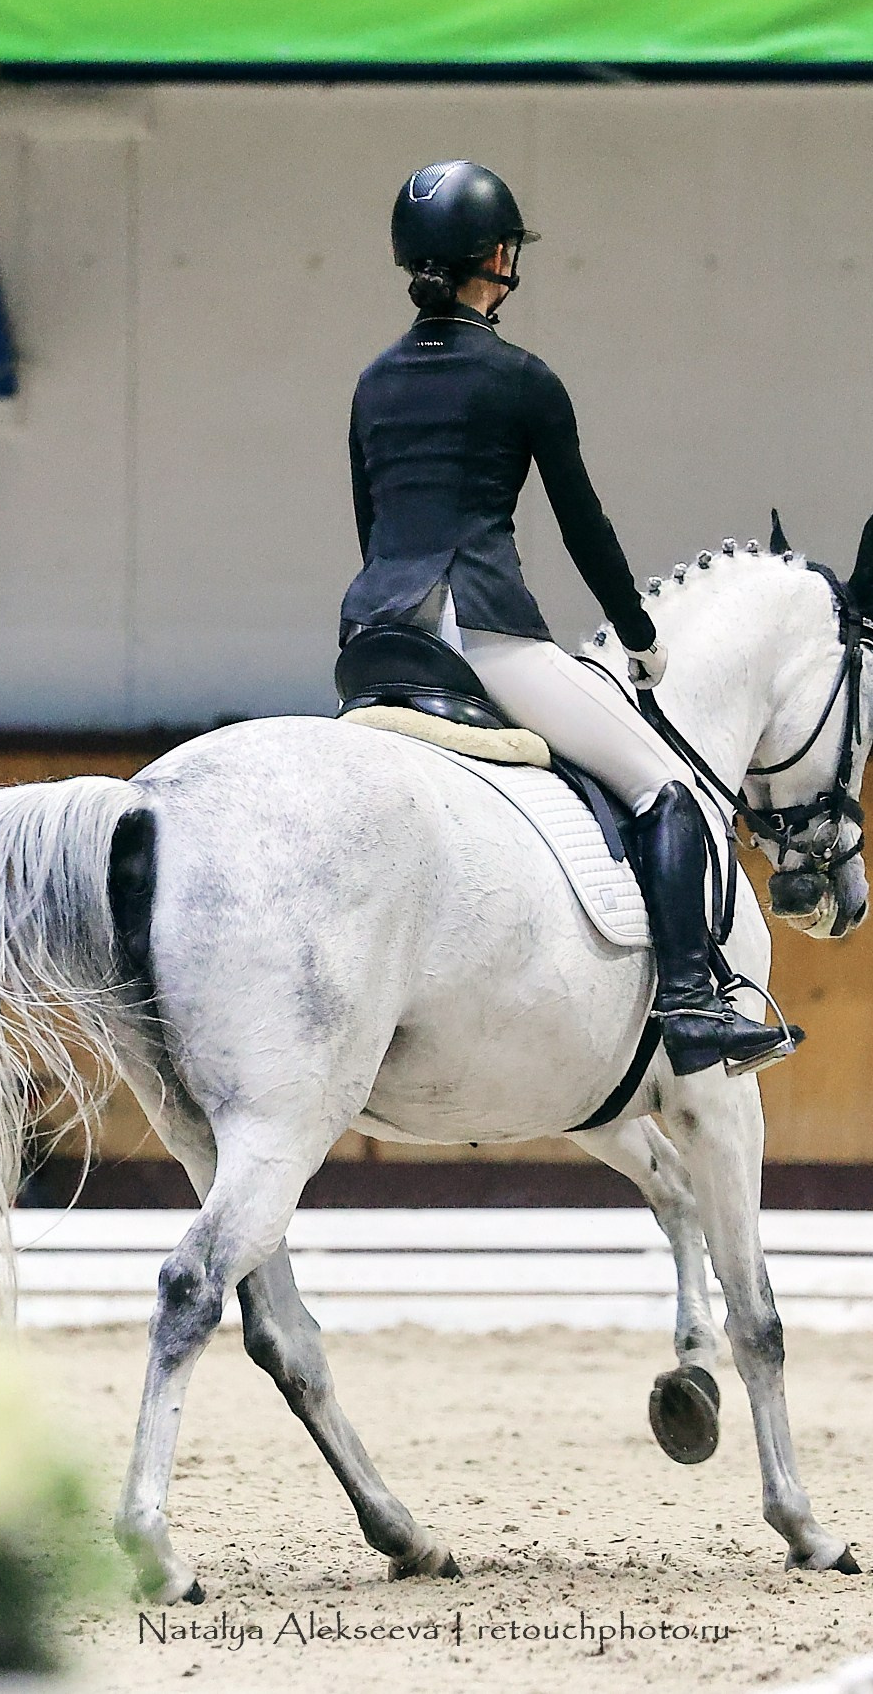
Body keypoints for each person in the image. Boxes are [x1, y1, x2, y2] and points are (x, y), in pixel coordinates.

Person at [342, 159, 792, 1078]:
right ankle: (693, 1004)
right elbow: (585, 527)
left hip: (372, 646)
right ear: (494, 258)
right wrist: (638, 635)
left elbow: (372, 524)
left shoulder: (372, 384)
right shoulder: (522, 380)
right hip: (480, 635)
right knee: (666, 790)